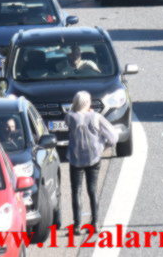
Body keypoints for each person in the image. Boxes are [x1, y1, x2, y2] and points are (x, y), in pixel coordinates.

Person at [66, 91, 118, 234]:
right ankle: (95, 223)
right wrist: (103, 147)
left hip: (75, 158)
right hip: (94, 157)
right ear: (88, 103)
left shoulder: (70, 117)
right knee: (92, 189)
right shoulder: (96, 117)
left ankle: (76, 225)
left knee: (76, 190)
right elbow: (113, 136)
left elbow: (70, 121)